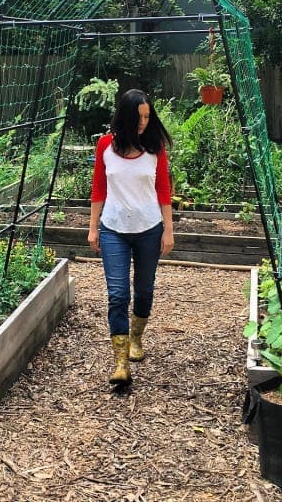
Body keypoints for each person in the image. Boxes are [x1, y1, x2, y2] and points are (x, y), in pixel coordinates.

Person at [88, 88, 174, 386]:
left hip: (149, 229)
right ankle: (121, 363)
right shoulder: (105, 145)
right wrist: (93, 227)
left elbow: (163, 190)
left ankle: (136, 338)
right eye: (138, 118)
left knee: (144, 291)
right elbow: (99, 187)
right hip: (113, 230)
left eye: (148, 117)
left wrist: (168, 230)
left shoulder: (154, 147)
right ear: (125, 116)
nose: (143, 123)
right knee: (118, 295)